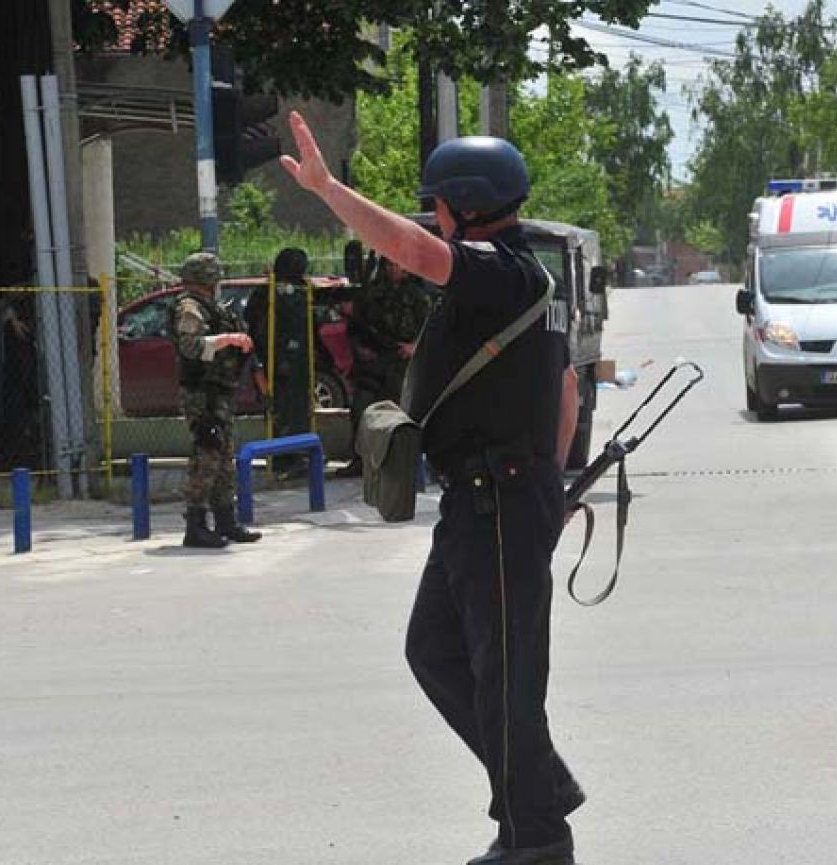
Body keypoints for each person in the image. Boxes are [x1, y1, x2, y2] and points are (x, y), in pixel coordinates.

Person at [282, 114, 583, 865]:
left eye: (438, 204)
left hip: (501, 496)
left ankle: (535, 837)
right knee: (434, 650)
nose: (433, 218)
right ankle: (536, 787)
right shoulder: (517, 277)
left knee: (506, 676)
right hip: (485, 498)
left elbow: (413, 250)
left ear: (464, 204)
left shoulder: (501, 270)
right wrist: (552, 485)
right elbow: (566, 389)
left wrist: (328, 190)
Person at [172, 252, 263, 549]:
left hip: (219, 391)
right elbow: (191, 347)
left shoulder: (211, 307)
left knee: (224, 457)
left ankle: (226, 521)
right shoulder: (190, 308)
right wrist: (229, 339)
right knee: (207, 455)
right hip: (202, 393)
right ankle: (195, 526)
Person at [335, 255, 433, 478]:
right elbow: (355, 328)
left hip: (401, 361)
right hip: (375, 361)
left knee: (400, 412)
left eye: (400, 264)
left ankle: (401, 460)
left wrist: (413, 346)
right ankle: (360, 459)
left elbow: (430, 329)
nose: (397, 269)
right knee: (362, 409)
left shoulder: (418, 296)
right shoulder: (371, 294)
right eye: (392, 264)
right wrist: (361, 350)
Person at [245, 247, 314, 476]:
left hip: (297, 363)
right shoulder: (271, 292)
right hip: (277, 363)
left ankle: (298, 456)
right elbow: (257, 324)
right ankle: (285, 459)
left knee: (297, 410)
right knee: (281, 410)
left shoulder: (299, 290)